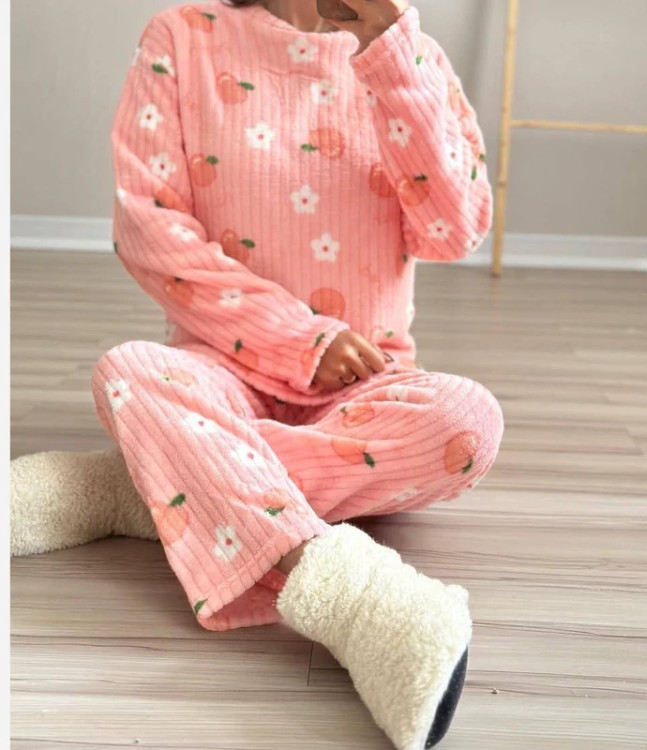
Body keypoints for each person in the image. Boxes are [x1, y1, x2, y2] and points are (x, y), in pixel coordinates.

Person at [10, 1, 503, 747]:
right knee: (131, 371)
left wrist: (387, 49)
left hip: (366, 390)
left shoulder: (409, 53)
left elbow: (453, 230)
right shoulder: (183, 36)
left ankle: (152, 485)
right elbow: (149, 229)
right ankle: (354, 601)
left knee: (468, 422)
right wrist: (301, 339)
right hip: (218, 371)